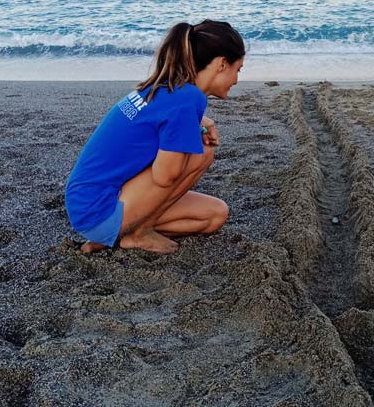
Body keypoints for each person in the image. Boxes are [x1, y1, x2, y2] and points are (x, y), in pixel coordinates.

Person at [65, 20, 245, 255]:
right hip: (98, 207)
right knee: (203, 153)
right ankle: (137, 233)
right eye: (237, 69)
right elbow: (165, 175)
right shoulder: (187, 99)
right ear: (222, 64)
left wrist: (197, 123)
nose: (237, 80)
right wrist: (192, 132)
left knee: (215, 215)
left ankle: (115, 235)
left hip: (86, 205)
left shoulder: (167, 88)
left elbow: (153, 121)